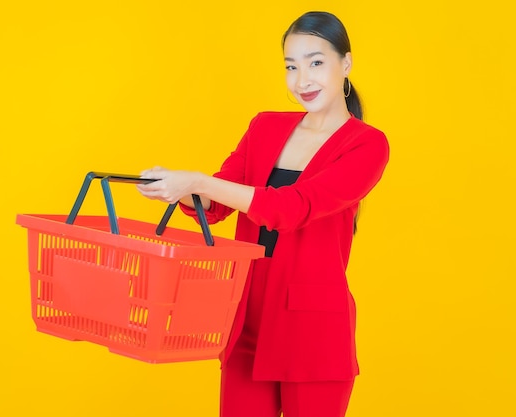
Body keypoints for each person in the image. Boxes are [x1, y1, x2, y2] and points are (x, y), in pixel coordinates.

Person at [136, 11, 389, 417]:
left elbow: (292, 208)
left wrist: (198, 182)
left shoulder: (367, 145)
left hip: (312, 331)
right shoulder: (265, 127)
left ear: (346, 63)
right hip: (246, 318)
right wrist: (174, 188)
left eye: (316, 62)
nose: (302, 79)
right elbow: (216, 206)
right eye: (291, 66)